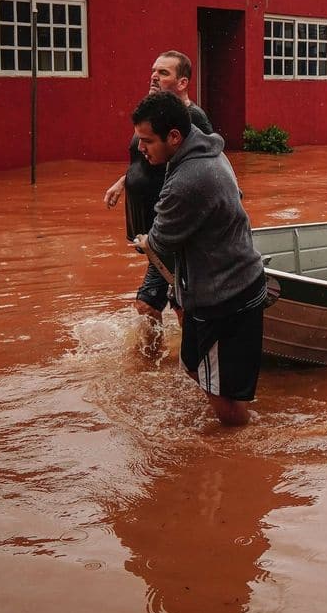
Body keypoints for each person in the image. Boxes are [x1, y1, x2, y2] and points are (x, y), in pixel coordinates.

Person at [130, 90, 266, 427]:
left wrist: (147, 238)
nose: (140, 149)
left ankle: (239, 452)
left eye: (147, 141)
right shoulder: (204, 149)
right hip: (221, 286)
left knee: (225, 404)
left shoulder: (190, 179)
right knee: (193, 364)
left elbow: (160, 241)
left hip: (225, 298)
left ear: (174, 136)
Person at [104, 51, 214, 323]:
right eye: (154, 70)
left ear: (183, 83)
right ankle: (181, 352)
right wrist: (124, 181)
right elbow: (144, 157)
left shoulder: (192, 118)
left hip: (172, 226)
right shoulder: (153, 113)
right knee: (177, 294)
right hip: (155, 225)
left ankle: (165, 360)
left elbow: (207, 164)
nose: (154, 76)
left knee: (148, 305)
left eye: (164, 73)